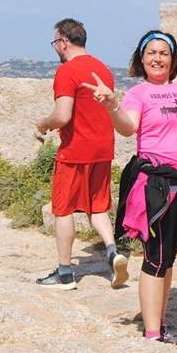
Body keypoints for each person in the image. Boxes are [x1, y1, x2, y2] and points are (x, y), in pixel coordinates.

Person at [83, 30, 177, 348]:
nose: (157, 58)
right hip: (156, 185)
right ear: (142, 60)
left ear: (173, 59)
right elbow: (128, 127)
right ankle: (154, 333)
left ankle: (160, 319)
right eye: (151, 53)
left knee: (168, 257)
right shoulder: (138, 94)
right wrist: (112, 105)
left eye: (164, 53)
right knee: (155, 258)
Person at [35, 18, 128, 290]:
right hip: (103, 149)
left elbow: (63, 115)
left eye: (55, 42)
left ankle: (65, 272)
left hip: (75, 151)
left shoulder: (67, 71)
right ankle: (112, 253)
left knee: (62, 210)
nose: (56, 47)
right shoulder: (104, 69)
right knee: (97, 207)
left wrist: (44, 123)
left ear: (63, 41)